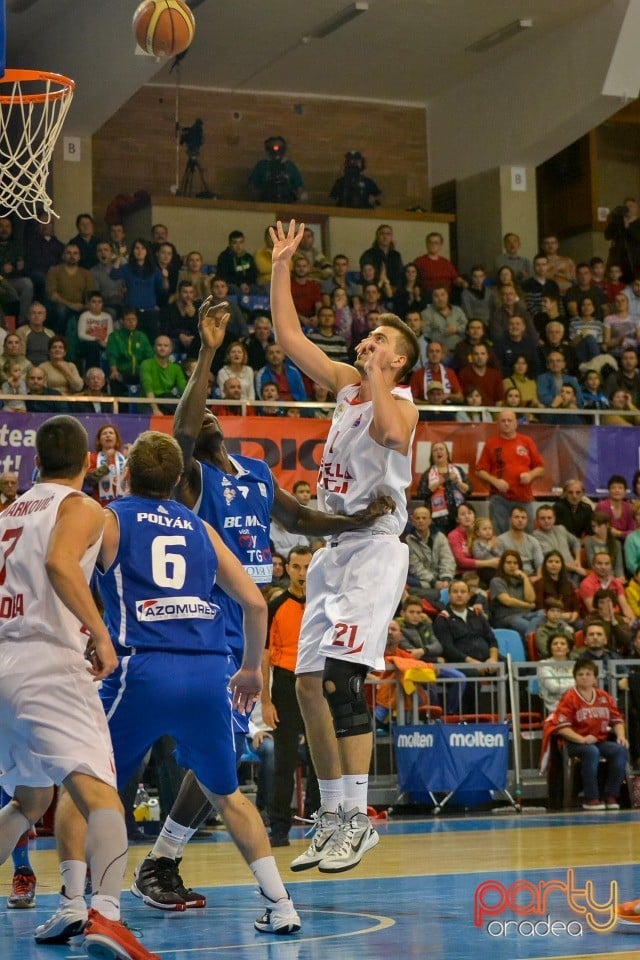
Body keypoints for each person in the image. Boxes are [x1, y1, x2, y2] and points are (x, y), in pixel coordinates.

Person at [130, 297, 395, 907]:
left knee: (227, 749)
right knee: (220, 748)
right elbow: (185, 429)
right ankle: (160, 860)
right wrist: (206, 351)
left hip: (249, 616)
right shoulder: (193, 476)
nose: (207, 418)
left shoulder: (253, 470)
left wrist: (358, 518)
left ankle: (163, 859)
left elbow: (301, 517)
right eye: (202, 416)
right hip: (212, 613)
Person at [38, 428, 302, 942]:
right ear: (180, 480)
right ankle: (281, 904)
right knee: (227, 797)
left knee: (83, 777)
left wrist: (93, 633)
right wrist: (250, 669)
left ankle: (79, 902)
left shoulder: (112, 518)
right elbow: (252, 603)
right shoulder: (202, 530)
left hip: (142, 668)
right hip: (207, 671)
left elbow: (62, 569)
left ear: (127, 474)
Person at [270, 219, 419, 873]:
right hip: (331, 550)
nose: (369, 341)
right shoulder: (345, 385)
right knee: (304, 688)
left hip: (374, 550)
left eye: (382, 340)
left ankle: (357, 819)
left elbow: (390, 434)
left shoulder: (402, 402)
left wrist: (382, 374)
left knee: (342, 682)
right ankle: (333, 817)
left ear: (399, 360)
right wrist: (281, 265)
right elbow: (289, 338)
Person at [0, 415, 161, 958]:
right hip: (47, 661)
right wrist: (100, 634)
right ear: (90, 461)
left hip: (4, 662)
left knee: (29, 797)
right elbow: (59, 563)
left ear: (35, 461)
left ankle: (83, 907)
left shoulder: (8, 513)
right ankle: (108, 917)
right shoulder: (82, 506)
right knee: (102, 797)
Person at [261, 545, 320, 846]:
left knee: (319, 757)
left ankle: (320, 819)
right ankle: (279, 828)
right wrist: (266, 700)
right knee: (284, 761)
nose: (302, 573)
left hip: (316, 682)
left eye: (307, 567)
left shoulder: (324, 605)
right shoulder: (276, 604)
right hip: (285, 684)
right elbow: (265, 653)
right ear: (288, 569)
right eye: (296, 567)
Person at [555, 659, 628, 810]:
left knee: (620, 750)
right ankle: (591, 798)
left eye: (588, 674)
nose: (584, 677)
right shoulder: (569, 697)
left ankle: (610, 795)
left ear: (595, 678)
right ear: (575, 677)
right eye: (580, 674)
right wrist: (582, 739)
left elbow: (617, 720)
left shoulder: (604, 696)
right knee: (591, 752)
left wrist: (621, 736)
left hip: (599, 740)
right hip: (574, 742)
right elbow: (562, 728)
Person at [433, 578, 501, 713]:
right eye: (455, 591)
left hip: (486, 660)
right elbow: (448, 648)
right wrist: (473, 662)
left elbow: (492, 640)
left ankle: (508, 717)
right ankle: (473, 719)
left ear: (469, 595)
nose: (459, 595)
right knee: (473, 673)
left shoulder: (477, 615)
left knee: (510, 669)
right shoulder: (442, 618)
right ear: (449, 595)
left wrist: (493, 659)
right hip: (460, 662)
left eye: (463, 591)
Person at [475, 409, 545, 534]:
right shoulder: (491, 443)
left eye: (509, 420)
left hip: (524, 497)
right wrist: (495, 481)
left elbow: (540, 468)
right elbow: (479, 471)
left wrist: (530, 475)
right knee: (499, 536)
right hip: (500, 498)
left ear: (516, 423)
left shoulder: (526, 441)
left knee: (526, 536)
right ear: (498, 424)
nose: (506, 423)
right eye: (503, 421)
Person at [416, 441, 470, 535]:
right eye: (435, 450)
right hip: (437, 520)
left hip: (458, 517)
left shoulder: (457, 470)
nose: (438, 452)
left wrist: (457, 482)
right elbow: (421, 493)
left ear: (447, 453)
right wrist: (438, 483)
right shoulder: (428, 473)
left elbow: (469, 490)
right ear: (432, 456)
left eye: (441, 449)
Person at [489, 549, 545, 639]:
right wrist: (528, 606)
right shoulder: (497, 581)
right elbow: (508, 601)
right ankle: (530, 637)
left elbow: (531, 599)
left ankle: (530, 635)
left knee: (543, 613)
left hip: (526, 614)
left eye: (515, 563)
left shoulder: (522, 580)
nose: (512, 566)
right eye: (508, 563)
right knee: (527, 625)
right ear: (502, 565)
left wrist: (525, 578)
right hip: (507, 617)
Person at [405, 504, 455, 602]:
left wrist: (446, 579)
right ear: (413, 521)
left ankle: (439, 595)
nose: (421, 521)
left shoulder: (440, 537)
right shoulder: (408, 540)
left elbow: (447, 559)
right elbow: (415, 567)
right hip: (422, 581)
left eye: (424, 518)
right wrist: (433, 582)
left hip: (442, 579)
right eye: (417, 518)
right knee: (411, 588)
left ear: (430, 520)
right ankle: (439, 596)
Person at [249, 135, 305, 204]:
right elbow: (253, 186)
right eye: (272, 149)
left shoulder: (290, 166)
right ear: (268, 150)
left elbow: (299, 187)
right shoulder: (261, 166)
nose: (276, 152)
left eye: (280, 149)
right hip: (266, 203)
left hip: (287, 203)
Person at [85, 424, 127, 506]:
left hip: (122, 504)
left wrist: (131, 457)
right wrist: (106, 465)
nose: (108, 435)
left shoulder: (124, 457)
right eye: (104, 433)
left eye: (111, 433)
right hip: (100, 505)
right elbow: (89, 480)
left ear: (116, 439)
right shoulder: (92, 457)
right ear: (99, 440)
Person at [537, 634, 576, 713]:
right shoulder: (543, 664)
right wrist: (576, 685)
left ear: (568, 649)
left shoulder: (574, 665)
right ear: (550, 648)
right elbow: (554, 687)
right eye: (555, 644)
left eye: (562, 644)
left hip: (574, 702)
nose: (558, 646)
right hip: (553, 705)